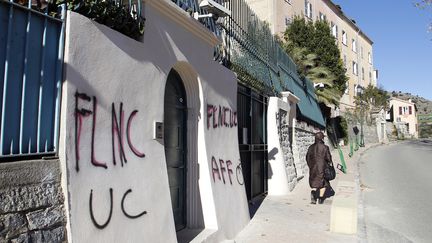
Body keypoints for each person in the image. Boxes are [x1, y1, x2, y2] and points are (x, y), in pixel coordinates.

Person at [306, 132, 335, 204]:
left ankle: (315, 195)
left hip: (313, 168)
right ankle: (319, 198)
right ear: (322, 138)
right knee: (324, 183)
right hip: (322, 168)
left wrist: (310, 165)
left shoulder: (311, 147)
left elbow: (307, 158)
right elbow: (329, 159)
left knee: (316, 182)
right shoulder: (325, 147)